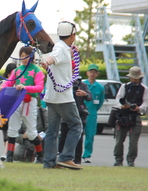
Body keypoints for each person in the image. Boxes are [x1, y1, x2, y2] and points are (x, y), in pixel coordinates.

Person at [41, 21, 83, 169]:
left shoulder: (63, 47)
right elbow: (52, 58)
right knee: (76, 126)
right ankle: (65, 157)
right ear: (72, 35)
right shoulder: (60, 49)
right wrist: (46, 62)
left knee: (52, 131)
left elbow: (57, 57)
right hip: (63, 98)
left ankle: (49, 162)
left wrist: (71, 52)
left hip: (52, 97)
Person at [0, 46, 45, 163]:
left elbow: (40, 87)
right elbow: (9, 83)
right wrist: (1, 88)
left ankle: (40, 156)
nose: (24, 59)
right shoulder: (17, 70)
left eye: (26, 56)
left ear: (32, 56)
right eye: (22, 56)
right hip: (17, 101)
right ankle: (9, 156)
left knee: (31, 132)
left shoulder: (37, 70)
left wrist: (25, 88)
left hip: (30, 102)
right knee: (12, 128)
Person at [113, 66, 148, 167]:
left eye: (135, 78)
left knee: (133, 141)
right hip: (123, 115)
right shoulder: (124, 86)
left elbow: (146, 103)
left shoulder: (144, 89)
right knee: (119, 140)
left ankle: (131, 160)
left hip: (135, 116)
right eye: (132, 77)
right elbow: (118, 99)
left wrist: (139, 108)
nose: (133, 79)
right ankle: (118, 160)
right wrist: (122, 106)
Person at [58, 61, 92, 165]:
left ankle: (77, 161)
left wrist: (84, 93)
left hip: (79, 114)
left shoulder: (82, 84)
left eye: (74, 70)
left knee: (79, 139)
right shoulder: (63, 82)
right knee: (63, 138)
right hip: (65, 114)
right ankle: (61, 159)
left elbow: (90, 97)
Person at [82, 64, 104, 163]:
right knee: (77, 133)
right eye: (91, 71)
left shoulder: (100, 87)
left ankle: (87, 155)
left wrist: (94, 110)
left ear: (97, 74)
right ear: (87, 73)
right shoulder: (82, 84)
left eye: (95, 72)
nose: (92, 74)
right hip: (81, 112)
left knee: (90, 135)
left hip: (92, 113)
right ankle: (75, 154)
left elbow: (100, 101)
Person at [0, 63, 17, 161]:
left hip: (15, 111)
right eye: (10, 73)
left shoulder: (18, 84)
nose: (11, 76)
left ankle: (7, 153)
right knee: (5, 134)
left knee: (11, 133)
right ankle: (7, 153)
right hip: (5, 111)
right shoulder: (3, 83)